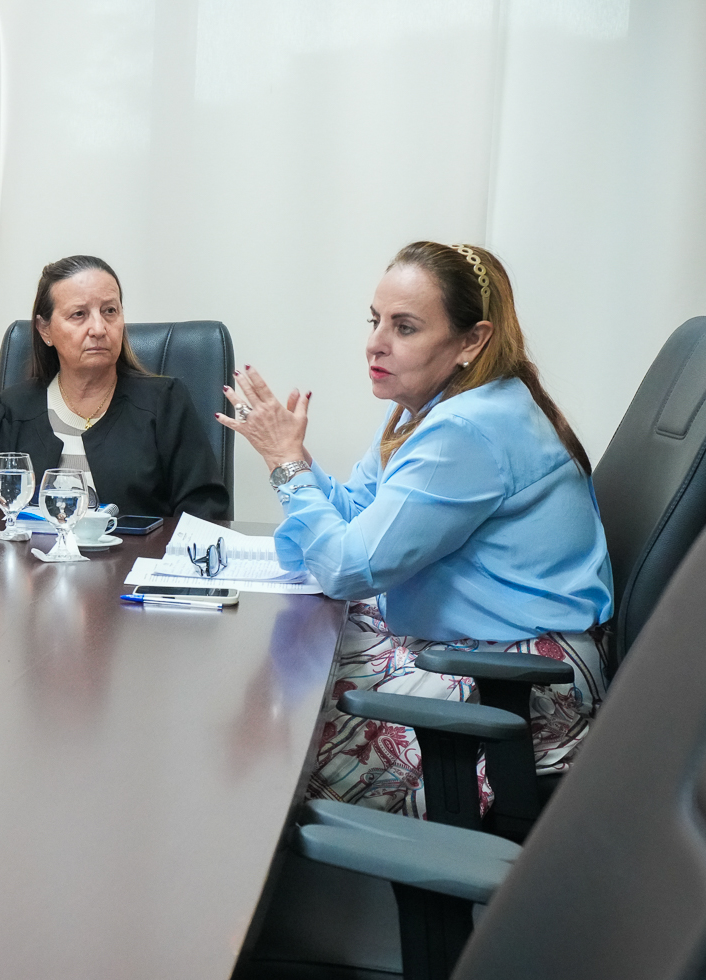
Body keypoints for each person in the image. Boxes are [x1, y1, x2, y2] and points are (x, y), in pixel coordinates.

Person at [221, 241, 612, 817]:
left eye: (404, 327)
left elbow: (351, 568)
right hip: (480, 648)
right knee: (269, 675)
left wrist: (287, 466)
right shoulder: (428, 403)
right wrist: (294, 459)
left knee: (270, 742)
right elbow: (358, 513)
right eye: (375, 320)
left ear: (472, 341)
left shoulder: (467, 431)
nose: (375, 342)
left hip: (520, 685)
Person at [0, 255, 229, 520]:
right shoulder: (11, 412)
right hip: (32, 561)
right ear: (45, 330)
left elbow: (203, 511)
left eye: (110, 311)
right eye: (79, 314)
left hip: (140, 561)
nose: (99, 328)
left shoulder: (165, 404)